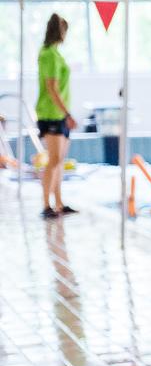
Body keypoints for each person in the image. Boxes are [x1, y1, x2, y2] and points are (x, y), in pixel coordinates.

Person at [36, 13, 77, 219]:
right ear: (59, 32)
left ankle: (58, 203)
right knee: (53, 160)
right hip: (51, 114)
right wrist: (67, 113)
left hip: (59, 114)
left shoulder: (55, 53)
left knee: (60, 160)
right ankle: (46, 204)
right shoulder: (48, 54)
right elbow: (51, 88)